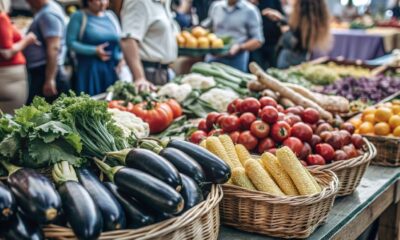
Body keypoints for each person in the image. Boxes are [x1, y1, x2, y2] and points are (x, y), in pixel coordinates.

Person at [118, 0, 178, 91]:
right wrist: (140, 77)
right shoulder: (138, 2)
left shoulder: (162, 2)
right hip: (148, 74)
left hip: (163, 72)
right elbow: (128, 40)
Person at [67, 0, 123, 96]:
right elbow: (71, 43)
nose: (102, 3)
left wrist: (121, 58)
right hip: (89, 70)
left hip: (111, 69)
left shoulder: (111, 16)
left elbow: (120, 40)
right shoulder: (78, 16)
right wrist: (94, 50)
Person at [23, 0, 70, 103]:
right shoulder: (47, 10)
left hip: (46, 72)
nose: (28, 3)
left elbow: (54, 47)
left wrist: (50, 79)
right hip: (45, 71)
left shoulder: (48, 14)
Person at [263, 0, 331, 69]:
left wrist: (284, 28)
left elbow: (290, 42)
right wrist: (281, 19)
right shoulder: (312, 24)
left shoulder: (303, 27)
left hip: (288, 61)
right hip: (301, 59)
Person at [204, 0, 264, 72]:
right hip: (213, 58)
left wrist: (240, 47)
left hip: (236, 62)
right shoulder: (216, 6)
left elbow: (258, 40)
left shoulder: (250, 10)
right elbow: (206, 27)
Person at [0, 0, 37, 114]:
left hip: (6, 78)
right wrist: (27, 40)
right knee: (11, 122)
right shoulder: (2, 18)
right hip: (9, 79)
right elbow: (6, 52)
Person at [249, 0, 284, 69]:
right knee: (257, 69)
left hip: (272, 42)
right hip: (255, 44)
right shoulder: (247, 3)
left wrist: (276, 15)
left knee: (273, 69)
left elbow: (282, 18)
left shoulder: (273, 1)